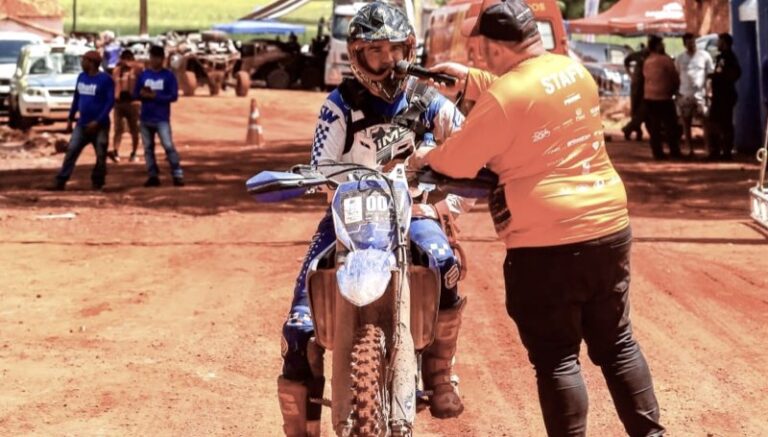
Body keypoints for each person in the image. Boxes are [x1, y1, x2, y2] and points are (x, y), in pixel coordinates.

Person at [409, 0, 665, 435]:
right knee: (617, 343)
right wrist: (471, 80)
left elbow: (459, 160)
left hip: (546, 243)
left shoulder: (503, 100)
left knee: (557, 359)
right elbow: (530, 93)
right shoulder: (574, 71)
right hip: (608, 228)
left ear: (493, 47)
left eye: (480, 45)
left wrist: (424, 156)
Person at [276, 3, 470, 435]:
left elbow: (470, 149)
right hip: (348, 218)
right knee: (299, 325)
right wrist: (319, 182)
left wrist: (444, 204)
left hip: (410, 212)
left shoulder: (428, 100)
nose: (387, 61)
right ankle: (303, 428)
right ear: (356, 55)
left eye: (394, 50)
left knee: (444, 262)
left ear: (409, 48)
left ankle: (440, 375)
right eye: (374, 52)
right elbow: (321, 166)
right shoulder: (338, 105)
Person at [52, 50, 115, 191]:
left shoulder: (105, 79)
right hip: (82, 124)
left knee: (101, 155)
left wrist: (98, 121)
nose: (82, 63)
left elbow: (110, 102)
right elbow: (76, 98)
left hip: (100, 125)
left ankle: (98, 182)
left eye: (84, 60)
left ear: (91, 63)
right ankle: (61, 180)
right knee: (71, 150)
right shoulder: (81, 77)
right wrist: (70, 117)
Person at [134, 45, 184, 187]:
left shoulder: (168, 76)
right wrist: (141, 94)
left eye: (157, 57)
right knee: (148, 149)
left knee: (168, 146)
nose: (154, 60)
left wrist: (156, 96)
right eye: (152, 57)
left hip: (161, 118)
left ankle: (177, 174)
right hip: (145, 117)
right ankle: (153, 175)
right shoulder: (144, 75)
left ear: (162, 59)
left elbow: (173, 96)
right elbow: (135, 93)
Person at [675, 33, 714, 156]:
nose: (691, 45)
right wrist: (678, 94)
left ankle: (708, 149)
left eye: (692, 42)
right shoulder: (680, 58)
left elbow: (710, 75)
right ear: (684, 44)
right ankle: (689, 149)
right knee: (686, 123)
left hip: (700, 95)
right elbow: (677, 75)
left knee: (705, 122)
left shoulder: (704, 56)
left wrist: (708, 91)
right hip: (685, 94)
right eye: (688, 43)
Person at [644, 35, 682, 160]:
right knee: (671, 125)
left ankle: (657, 152)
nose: (663, 46)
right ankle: (674, 151)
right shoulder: (665, 60)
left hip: (649, 97)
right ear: (657, 46)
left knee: (654, 127)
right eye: (661, 44)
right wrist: (674, 90)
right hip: (664, 97)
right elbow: (674, 77)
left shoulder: (647, 61)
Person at [707, 33, 741, 161]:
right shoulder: (722, 57)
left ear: (724, 43)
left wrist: (719, 78)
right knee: (717, 123)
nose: (717, 44)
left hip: (725, 96)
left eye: (719, 41)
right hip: (720, 96)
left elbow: (735, 73)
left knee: (723, 124)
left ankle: (724, 152)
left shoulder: (729, 57)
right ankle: (718, 151)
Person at [110, 49, 143, 163]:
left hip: (134, 103)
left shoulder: (138, 70)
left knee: (135, 130)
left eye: (129, 59)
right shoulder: (116, 71)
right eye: (125, 59)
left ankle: (134, 153)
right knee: (118, 129)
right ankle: (115, 152)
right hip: (119, 103)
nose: (127, 62)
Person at [622, 43, 647, 141]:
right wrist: (630, 74)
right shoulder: (639, 55)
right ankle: (633, 129)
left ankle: (631, 128)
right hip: (637, 84)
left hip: (647, 84)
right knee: (636, 108)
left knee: (643, 108)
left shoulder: (653, 55)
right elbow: (626, 61)